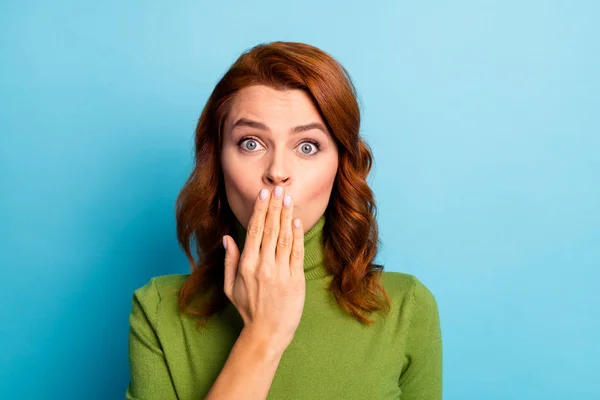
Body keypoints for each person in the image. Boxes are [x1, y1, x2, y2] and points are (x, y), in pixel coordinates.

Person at [126, 41, 442, 400]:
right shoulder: (158, 309)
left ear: (341, 166)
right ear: (217, 161)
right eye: (250, 143)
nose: (277, 172)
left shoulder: (405, 308)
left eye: (307, 146)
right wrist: (263, 335)